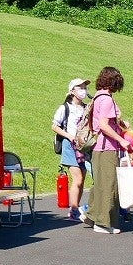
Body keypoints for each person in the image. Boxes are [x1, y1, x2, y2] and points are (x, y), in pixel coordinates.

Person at [85, 66, 133, 235]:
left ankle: (92, 215)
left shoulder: (98, 97)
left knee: (100, 183)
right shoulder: (106, 100)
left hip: (98, 147)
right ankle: (104, 223)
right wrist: (121, 139)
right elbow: (104, 125)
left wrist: (120, 127)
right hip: (107, 147)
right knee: (109, 185)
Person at [53, 78, 90, 221]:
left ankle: (76, 207)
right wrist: (69, 136)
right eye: (80, 87)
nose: (83, 90)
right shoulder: (65, 108)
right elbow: (54, 126)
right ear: (72, 91)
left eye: (84, 87)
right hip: (70, 146)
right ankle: (74, 208)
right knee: (78, 178)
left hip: (84, 146)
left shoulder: (86, 107)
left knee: (83, 179)